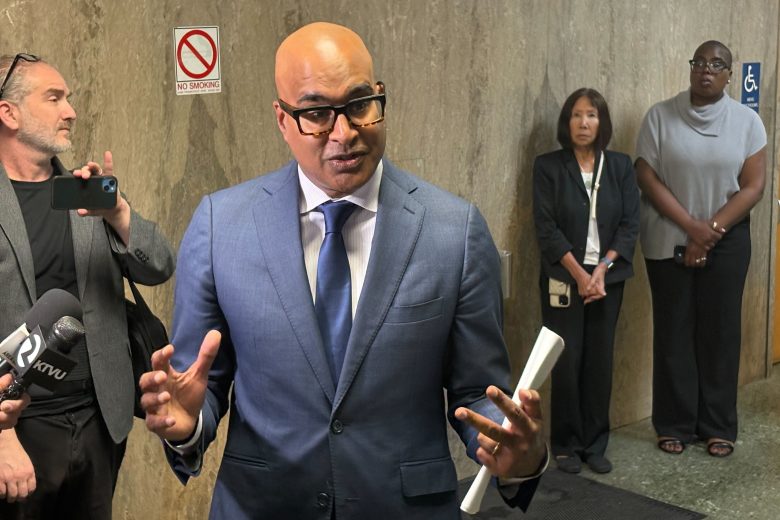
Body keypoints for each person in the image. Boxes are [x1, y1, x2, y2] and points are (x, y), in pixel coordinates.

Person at [140, 22, 547, 519]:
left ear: (379, 97)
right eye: (315, 113)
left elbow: (476, 391)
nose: (344, 132)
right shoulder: (220, 224)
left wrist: (514, 451)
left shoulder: (453, 231)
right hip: (263, 506)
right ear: (282, 119)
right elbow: (199, 387)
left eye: (359, 105)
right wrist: (187, 426)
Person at [0, 54, 175, 518]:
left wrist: (117, 212)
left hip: (99, 419)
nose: (70, 111)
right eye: (53, 98)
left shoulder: (84, 191)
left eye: (69, 98)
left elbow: (158, 266)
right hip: (19, 424)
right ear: (8, 113)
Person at [635, 40, 766, 458]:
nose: (706, 70)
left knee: (720, 333)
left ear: (730, 73)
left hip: (726, 241)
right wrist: (692, 227)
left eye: (717, 64)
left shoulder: (747, 122)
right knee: (673, 330)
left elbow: (754, 186)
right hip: (667, 235)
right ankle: (673, 423)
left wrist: (709, 230)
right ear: (691, 67)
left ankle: (718, 425)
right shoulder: (659, 116)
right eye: (699, 62)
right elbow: (646, 176)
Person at [532, 88, 639, 474]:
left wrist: (601, 271)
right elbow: (546, 228)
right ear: (567, 122)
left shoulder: (621, 167)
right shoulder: (548, 167)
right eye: (576, 115)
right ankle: (564, 444)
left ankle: (595, 444)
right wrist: (579, 274)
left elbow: (630, 225)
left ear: (601, 122)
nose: (583, 123)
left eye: (591, 115)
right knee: (566, 358)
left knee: (599, 360)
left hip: (607, 279)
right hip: (564, 279)